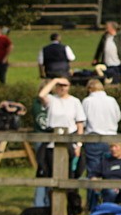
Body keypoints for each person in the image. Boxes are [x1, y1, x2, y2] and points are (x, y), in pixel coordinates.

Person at [34, 77, 85, 208]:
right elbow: (41, 95)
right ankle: (50, 206)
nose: (62, 88)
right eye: (60, 85)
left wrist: (79, 145)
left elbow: (80, 125)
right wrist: (54, 80)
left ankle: (69, 207)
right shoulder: (52, 100)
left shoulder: (75, 102)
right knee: (50, 173)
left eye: (65, 85)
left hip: (70, 141)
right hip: (52, 142)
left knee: (70, 175)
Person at [81, 78, 121, 210]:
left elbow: (83, 120)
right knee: (110, 171)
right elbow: (118, 117)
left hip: (93, 139)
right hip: (111, 139)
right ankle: (110, 204)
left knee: (93, 173)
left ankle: (92, 205)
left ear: (89, 89)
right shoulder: (112, 100)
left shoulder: (87, 101)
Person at [92, 21, 121, 85]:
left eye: (107, 27)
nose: (106, 29)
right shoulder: (105, 36)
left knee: (117, 80)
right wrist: (96, 58)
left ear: (112, 28)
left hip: (118, 63)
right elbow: (99, 48)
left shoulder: (120, 35)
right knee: (106, 79)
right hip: (107, 63)